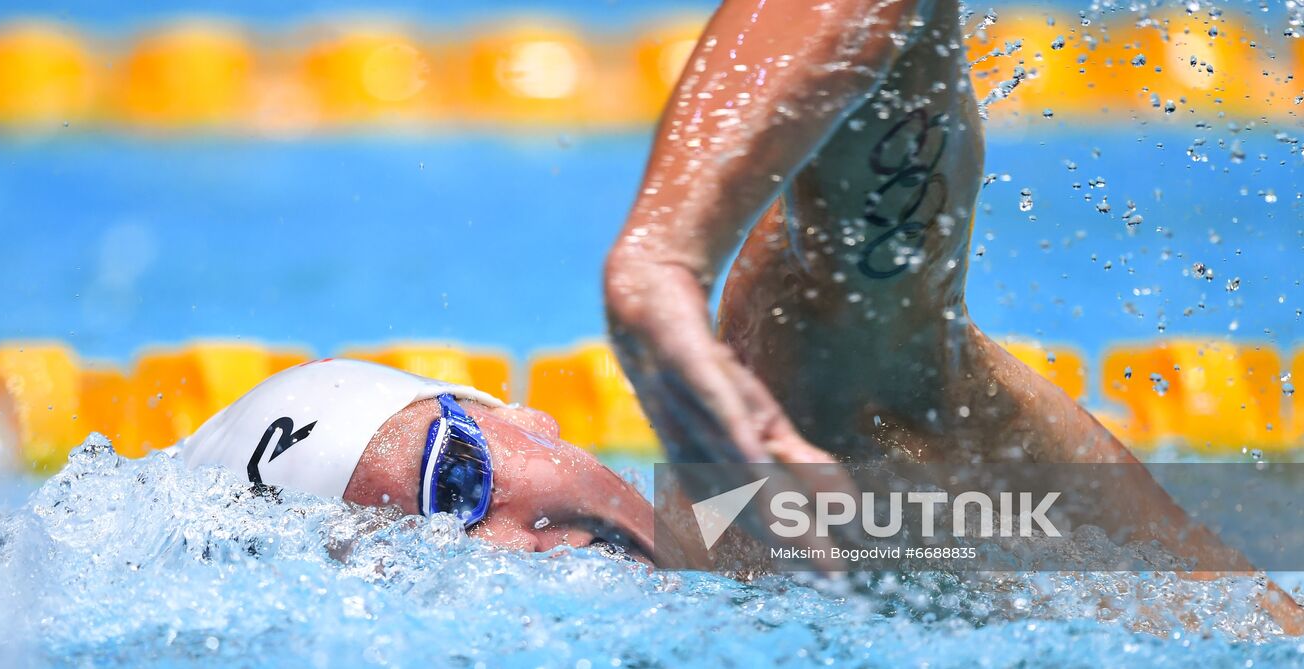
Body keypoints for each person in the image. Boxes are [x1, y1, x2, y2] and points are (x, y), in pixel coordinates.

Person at [603, 0, 1304, 631]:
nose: (509, 534)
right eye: (481, 531)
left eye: (483, 470)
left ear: (527, 419)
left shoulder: (806, 390)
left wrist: (659, 258)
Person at [181, 358, 655, 563]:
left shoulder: (723, 492)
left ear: (525, 420)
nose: (504, 554)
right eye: (427, 562)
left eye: (459, 481)